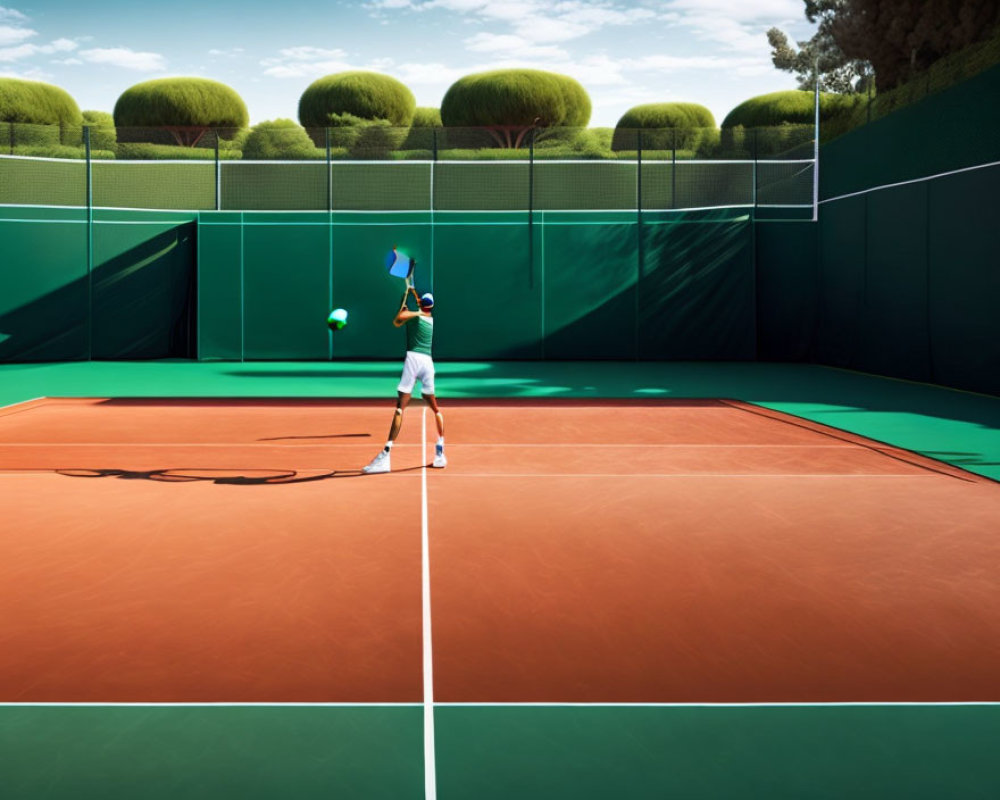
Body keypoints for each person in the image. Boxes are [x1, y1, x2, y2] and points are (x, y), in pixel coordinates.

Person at [362, 287, 446, 473]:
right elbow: (415, 310)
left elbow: (397, 321)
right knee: (435, 408)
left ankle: (386, 455)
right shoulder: (429, 319)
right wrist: (412, 293)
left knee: (400, 407)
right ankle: (441, 452)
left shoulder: (414, 316)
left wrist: (404, 301)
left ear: (420, 305)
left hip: (414, 359)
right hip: (428, 363)